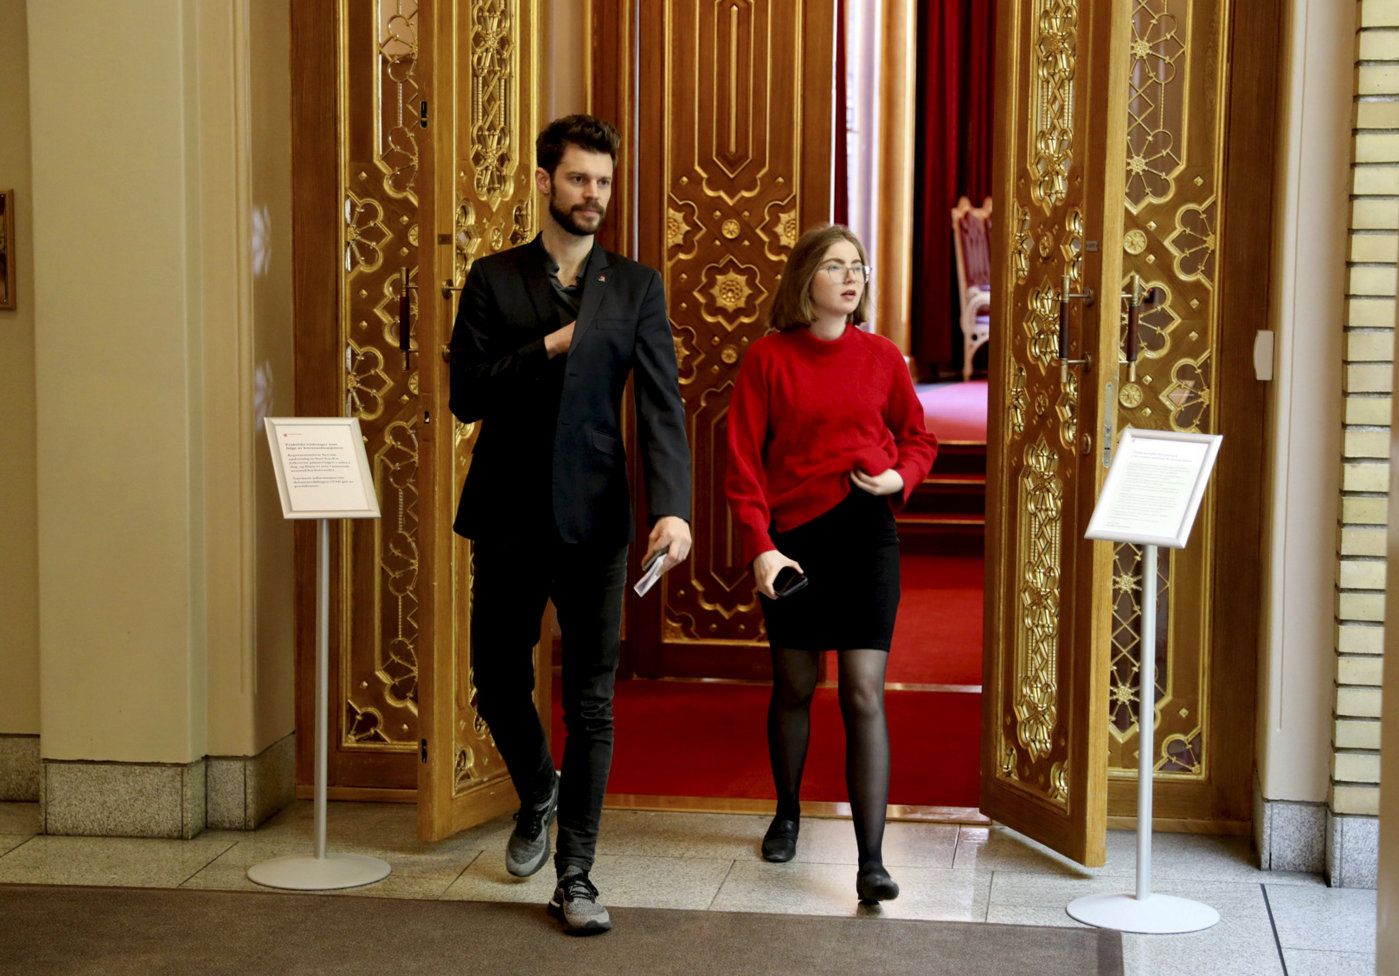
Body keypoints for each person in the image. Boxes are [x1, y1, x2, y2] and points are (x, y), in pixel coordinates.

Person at [449, 114, 692, 934]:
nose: (593, 194)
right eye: (579, 178)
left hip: (595, 519)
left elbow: (660, 406)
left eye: (603, 181)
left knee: (591, 703)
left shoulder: (636, 287)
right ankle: (537, 789)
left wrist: (672, 508)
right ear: (545, 181)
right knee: (496, 680)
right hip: (506, 513)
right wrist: (548, 346)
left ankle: (576, 877)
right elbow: (465, 394)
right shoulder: (493, 278)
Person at [724, 224, 937, 904]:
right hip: (793, 543)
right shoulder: (767, 358)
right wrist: (760, 547)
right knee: (793, 686)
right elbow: (742, 465)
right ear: (805, 280)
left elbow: (919, 436)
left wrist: (899, 477)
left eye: (858, 266)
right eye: (835, 266)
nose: (851, 277)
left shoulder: (882, 357)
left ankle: (871, 861)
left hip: (867, 534)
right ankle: (787, 812)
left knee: (862, 692)